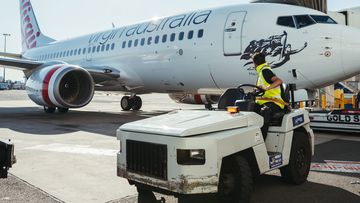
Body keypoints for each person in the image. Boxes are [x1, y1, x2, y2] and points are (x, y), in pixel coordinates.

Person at [252, 52, 287, 139]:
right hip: (265, 102)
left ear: (255, 63)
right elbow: (261, 88)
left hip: (275, 103)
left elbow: (279, 81)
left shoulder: (265, 71)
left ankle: (261, 138)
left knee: (265, 111)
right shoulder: (261, 72)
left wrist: (267, 88)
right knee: (248, 108)